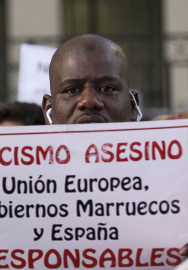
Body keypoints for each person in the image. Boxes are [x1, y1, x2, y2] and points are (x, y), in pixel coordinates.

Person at [41, 33, 188, 265]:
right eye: (71, 90)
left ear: (133, 107)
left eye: (107, 88)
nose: (89, 101)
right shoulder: (3, 194)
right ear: (49, 110)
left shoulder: (181, 185)